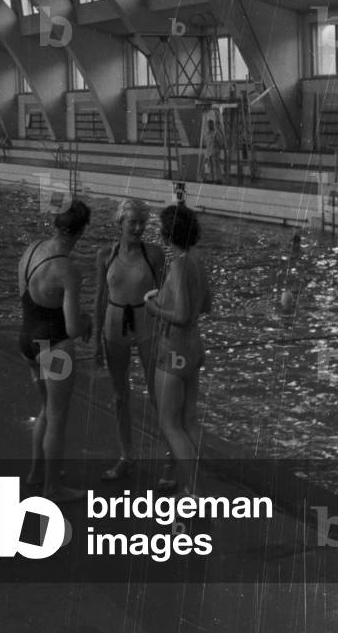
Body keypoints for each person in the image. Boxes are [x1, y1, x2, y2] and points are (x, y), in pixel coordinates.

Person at [18, 199, 93, 501]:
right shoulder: (68, 270)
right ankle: (52, 488)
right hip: (55, 349)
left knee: (45, 410)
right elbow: (73, 328)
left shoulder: (32, 249)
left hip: (27, 341)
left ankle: (37, 473)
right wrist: (87, 320)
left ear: (56, 224)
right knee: (57, 418)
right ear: (82, 231)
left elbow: (28, 298)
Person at [93, 199, 166, 481]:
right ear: (120, 223)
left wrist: (167, 330)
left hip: (146, 324)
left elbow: (166, 295)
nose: (138, 228)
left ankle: (170, 458)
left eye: (142, 223)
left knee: (158, 394)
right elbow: (100, 298)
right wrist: (96, 339)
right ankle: (127, 456)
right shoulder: (105, 254)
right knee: (120, 395)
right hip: (114, 325)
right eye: (132, 222)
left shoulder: (154, 255)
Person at [145, 203, 211, 497]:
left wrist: (154, 308)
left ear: (166, 234)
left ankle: (196, 490)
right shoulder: (196, 261)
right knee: (189, 420)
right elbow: (205, 305)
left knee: (170, 424)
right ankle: (192, 485)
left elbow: (181, 315)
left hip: (174, 348)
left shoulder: (177, 266)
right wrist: (168, 298)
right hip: (194, 346)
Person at [203, 118, 225, 183]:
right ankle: (211, 179)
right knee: (210, 167)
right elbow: (206, 144)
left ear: (213, 125)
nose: (210, 126)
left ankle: (218, 179)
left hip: (215, 152)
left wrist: (218, 149)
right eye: (209, 125)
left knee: (216, 167)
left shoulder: (216, 133)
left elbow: (221, 142)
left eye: (211, 124)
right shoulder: (207, 134)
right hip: (209, 153)